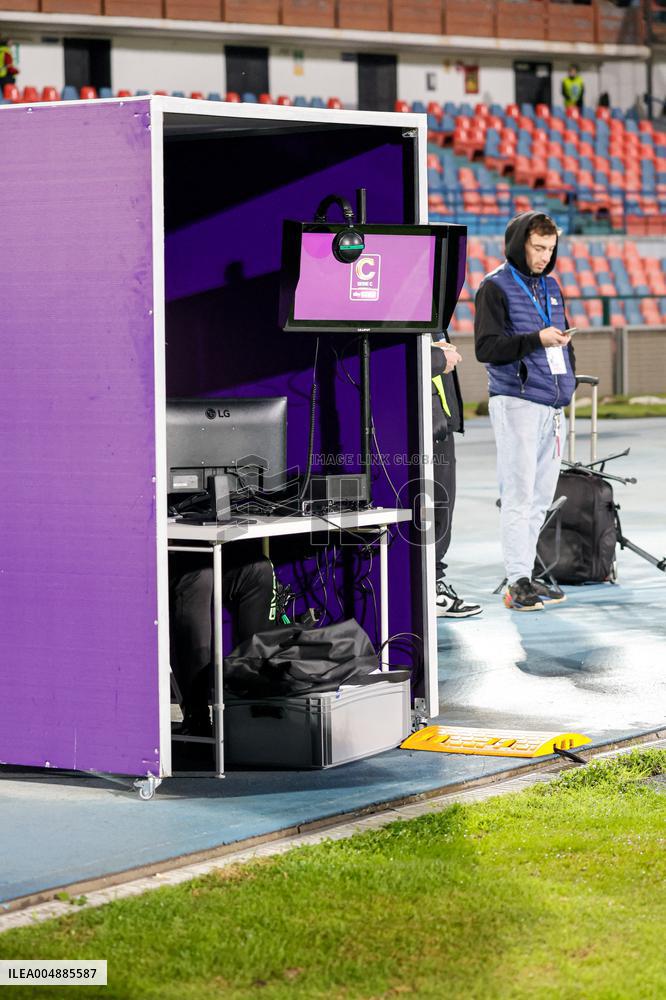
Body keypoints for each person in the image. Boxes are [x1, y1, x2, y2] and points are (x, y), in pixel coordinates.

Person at [474, 211, 576, 611]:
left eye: (549, 249)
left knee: (539, 498)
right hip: (516, 403)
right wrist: (536, 339)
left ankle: (526, 574)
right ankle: (516, 580)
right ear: (519, 244)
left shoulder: (551, 286)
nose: (543, 256)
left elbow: (562, 341)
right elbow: (486, 348)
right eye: (537, 247)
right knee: (518, 495)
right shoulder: (494, 287)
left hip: (551, 407)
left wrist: (566, 382)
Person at [169, 544, 277, 735]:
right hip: (158, 557)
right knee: (199, 577)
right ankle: (197, 719)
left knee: (259, 569)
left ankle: (251, 706)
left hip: (202, 548)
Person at [431, 337, 482, 618]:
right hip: (423, 420)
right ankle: (428, 587)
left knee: (441, 506)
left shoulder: (435, 310)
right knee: (429, 507)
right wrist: (438, 357)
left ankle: (433, 584)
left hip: (440, 421)